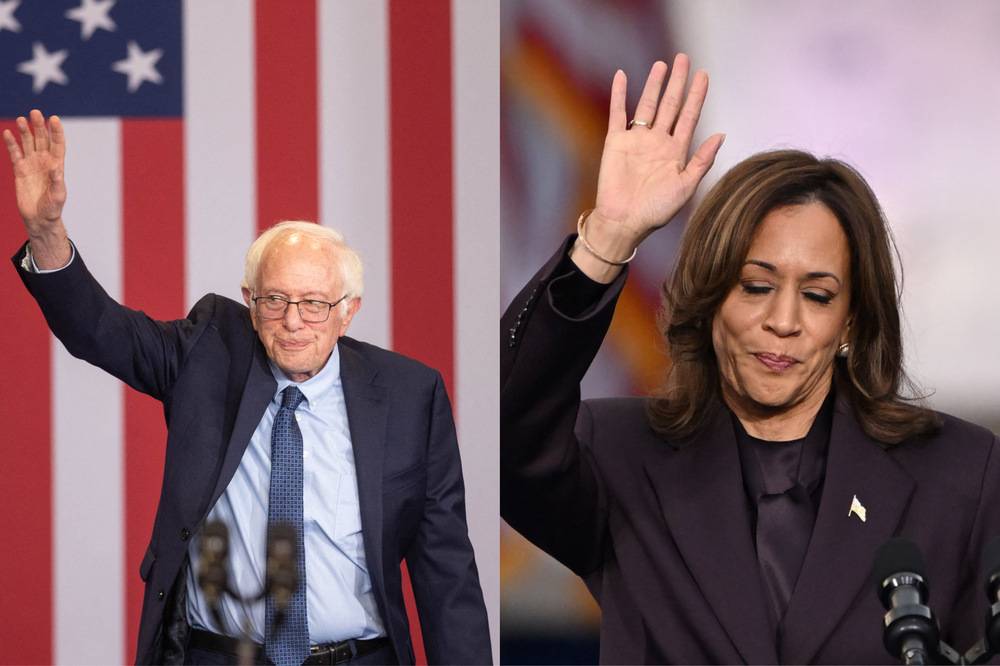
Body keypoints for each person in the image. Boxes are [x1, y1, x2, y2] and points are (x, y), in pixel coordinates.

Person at [501, 54, 1000, 663]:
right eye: (755, 287)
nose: (783, 321)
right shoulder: (618, 458)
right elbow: (502, 426)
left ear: (853, 321)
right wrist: (607, 236)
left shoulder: (961, 475)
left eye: (817, 296)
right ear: (709, 300)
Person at [5, 110, 491, 666]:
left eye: (314, 304)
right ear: (250, 302)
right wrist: (46, 232)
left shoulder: (410, 395)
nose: (292, 322)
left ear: (348, 312)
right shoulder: (209, 353)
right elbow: (98, 331)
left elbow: (446, 570)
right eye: (275, 300)